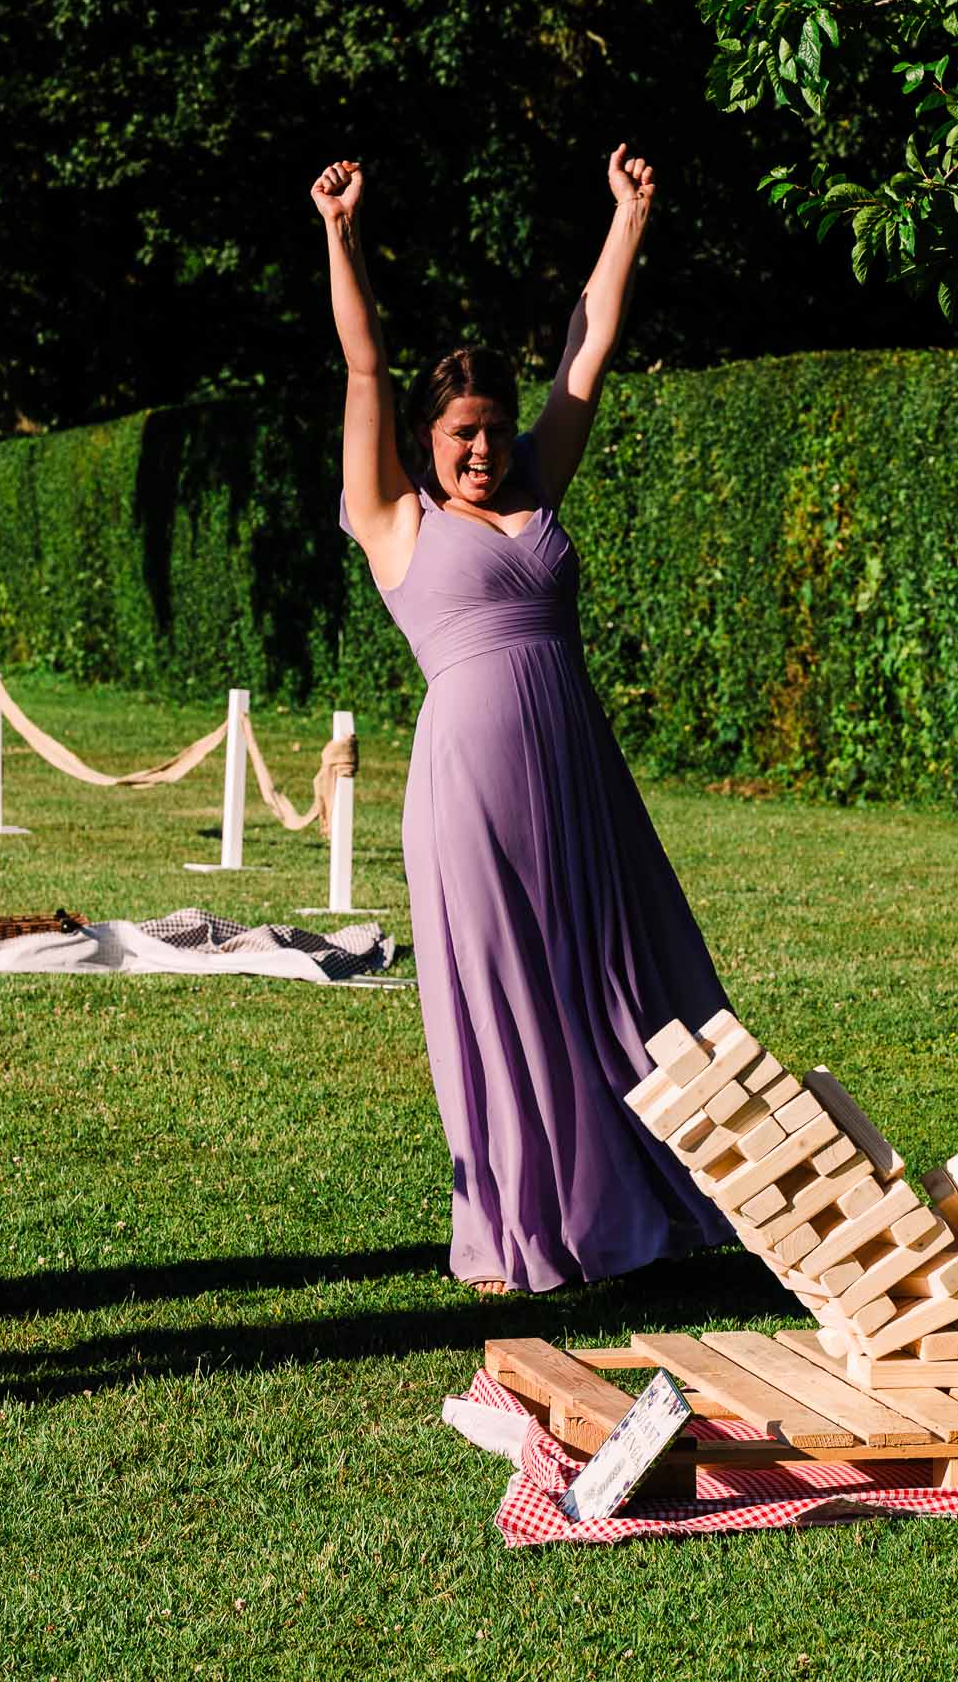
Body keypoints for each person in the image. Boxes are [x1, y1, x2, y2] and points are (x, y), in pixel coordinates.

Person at [311, 147, 732, 1293]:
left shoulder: (540, 485)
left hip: (581, 780)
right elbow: (363, 362)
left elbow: (586, 354)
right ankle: (517, 1228)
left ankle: (644, 1207)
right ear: (428, 439)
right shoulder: (394, 516)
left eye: (495, 428)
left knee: (617, 980)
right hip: (472, 798)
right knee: (504, 1007)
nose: (484, 449)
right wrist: (342, 233)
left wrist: (628, 218)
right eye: (462, 433)